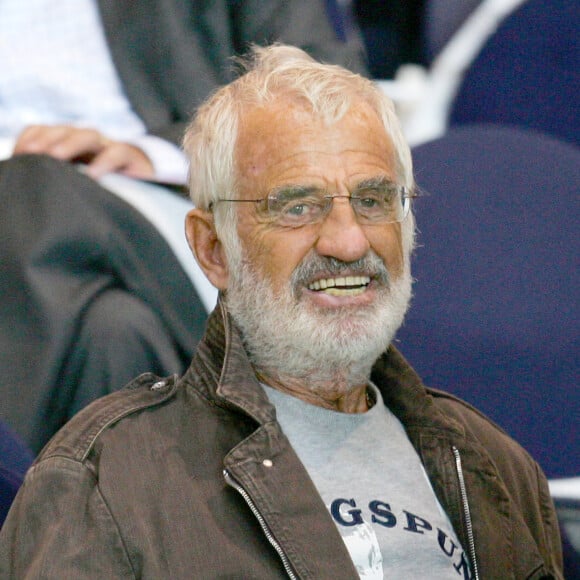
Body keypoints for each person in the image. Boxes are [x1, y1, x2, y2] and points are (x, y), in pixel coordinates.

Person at [0, 45, 562, 578]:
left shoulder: (494, 467)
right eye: (297, 207)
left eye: (372, 201)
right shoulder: (100, 482)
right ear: (213, 250)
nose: (347, 242)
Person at [0, 0, 369, 454]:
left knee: (31, 186)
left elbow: (327, 97)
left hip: (158, 193)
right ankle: (241, 396)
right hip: (41, 240)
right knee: (115, 337)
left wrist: (162, 155)